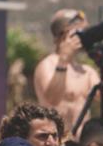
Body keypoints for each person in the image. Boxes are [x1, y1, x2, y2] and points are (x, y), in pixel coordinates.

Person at [34, 8, 99, 136]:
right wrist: (63, 59)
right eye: (80, 32)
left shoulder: (87, 71)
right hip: (57, 143)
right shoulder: (47, 66)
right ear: (63, 35)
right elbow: (53, 99)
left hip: (82, 145)